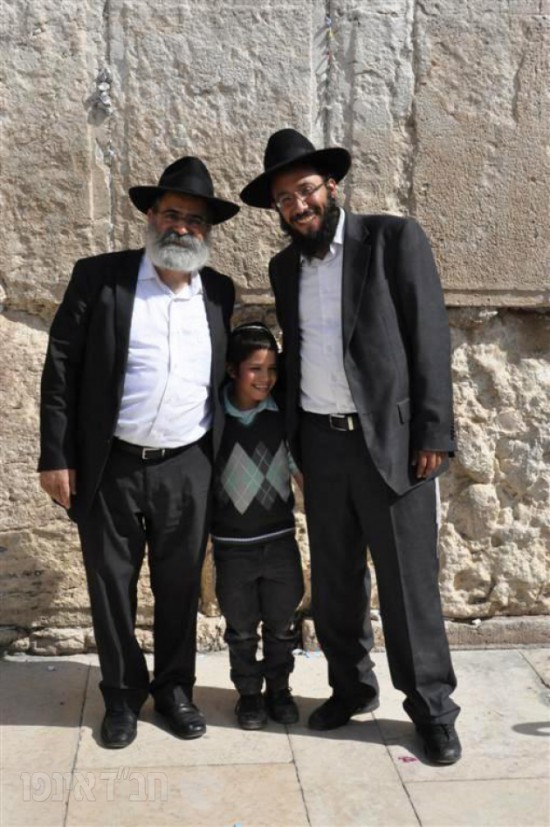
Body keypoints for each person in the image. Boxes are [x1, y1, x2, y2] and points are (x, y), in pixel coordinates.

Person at [239, 128, 462, 764]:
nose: (298, 205)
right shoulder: (285, 268)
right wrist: (296, 446)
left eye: (305, 190)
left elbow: (429, 337)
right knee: (336, 582)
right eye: (284, 199)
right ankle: (350, 688)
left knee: (407, 586)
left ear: (331, 186)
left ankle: (432, 710)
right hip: (320, 442)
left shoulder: (393, 239)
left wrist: (433, 432)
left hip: (391, 443)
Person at [39, 157, 239, 749]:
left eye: (196, 220)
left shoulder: (218, 292)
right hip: (112, 464)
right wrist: (56, 455)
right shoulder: (100, 279)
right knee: (111, 584)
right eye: (173, 214)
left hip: (188, 464)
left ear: (207, 231)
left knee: (180, 585)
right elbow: (61, 369)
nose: (183, 228)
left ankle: (174, 690)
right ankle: (122, 696)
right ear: (151, 217)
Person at [211, 323, 304, 730]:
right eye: (255, 369)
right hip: (232, 545)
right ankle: (248, 695)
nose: (265, 378)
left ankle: (279, 690)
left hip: (280, 542)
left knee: (282, 625)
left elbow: (300, 470)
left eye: (271, 370)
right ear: (233, 370)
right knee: (241, 628)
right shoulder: (214, 419)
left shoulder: (281, 416)